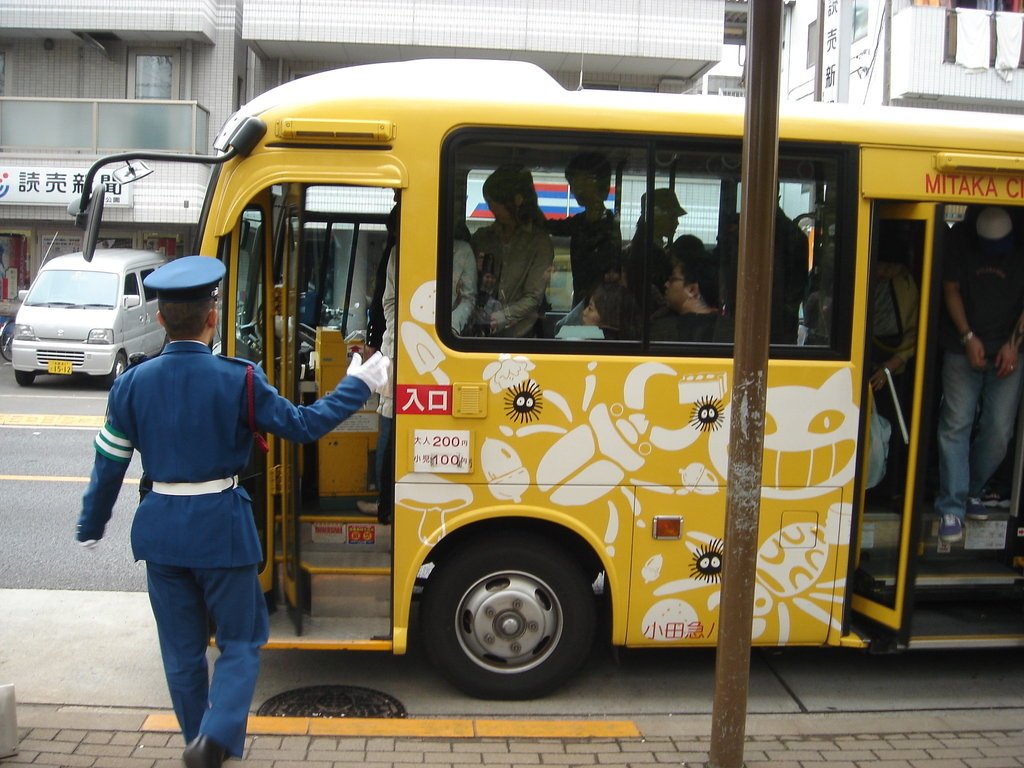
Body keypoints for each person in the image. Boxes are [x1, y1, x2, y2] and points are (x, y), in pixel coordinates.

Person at [75, 256, 390, 768]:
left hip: (160, 534)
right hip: (221, 529)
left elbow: (108, 463)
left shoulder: (130, 384)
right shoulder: (239, 378)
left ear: (159, 318)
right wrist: (360, 382)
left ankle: (199, 740)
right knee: (241, 642)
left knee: (181, 653)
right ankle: (214, 741)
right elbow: (304, 425)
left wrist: (92, 524)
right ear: (212, 317)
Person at [935, 205, 1024, 544]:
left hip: (1010, 347)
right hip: (962, 347)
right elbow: (951, 288)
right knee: (955, 423)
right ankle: (952, 507)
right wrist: (967, 336)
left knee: (1000, 429)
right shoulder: (960, 240)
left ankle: (971, 488)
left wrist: (1013, 345)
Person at [470, 164, 555, 337]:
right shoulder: (482, 238)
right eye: (488, 202)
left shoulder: (539, 243)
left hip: (520, 336)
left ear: (516, 201)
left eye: (495, 203)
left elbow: (533, 297)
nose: (491, 208)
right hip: (479, 333)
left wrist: (503, 316)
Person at [546, 152, 622, 306]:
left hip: (600, 307)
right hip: (583, 304)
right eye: (572, 184)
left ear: (594, 182)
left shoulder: (607, 227)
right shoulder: (581, 221)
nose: (574, 190)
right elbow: (550, 226)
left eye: (576, 182)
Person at [623, 188, 686, 311]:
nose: (677, 222)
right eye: (672, 217)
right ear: (657, 218)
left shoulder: (640, 248)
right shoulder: (652, 255)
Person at [649, 247, 719, 342]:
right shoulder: (732, 330)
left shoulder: (664, 331)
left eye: (672, 279)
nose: (666, 284)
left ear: (692, 290)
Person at [555, 282, 638, 340]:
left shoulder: (576, 340)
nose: (584, 312)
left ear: (607, 316)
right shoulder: (630, 342)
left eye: (590, 309)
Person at [451, 218, 477, 335]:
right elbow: (391, 302)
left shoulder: (464, 251)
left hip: (449, 332)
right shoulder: (399, 252)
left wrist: (452, 327)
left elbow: (468, 298)